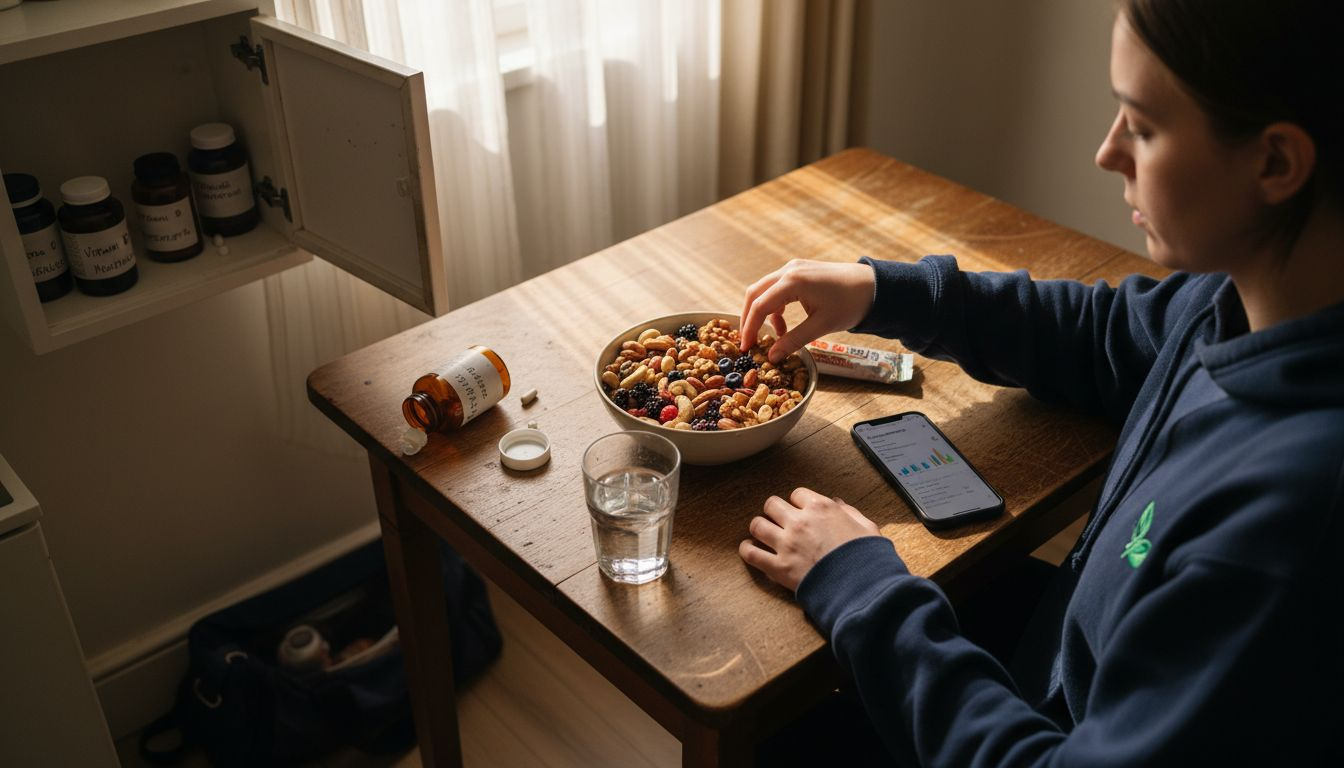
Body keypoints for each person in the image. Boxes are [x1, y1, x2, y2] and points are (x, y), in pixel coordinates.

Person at [737, 0, 1344, 764]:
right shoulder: (1240, 298)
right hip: (1060, 661)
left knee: (770, 730)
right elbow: (1101, 335)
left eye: (1143, 125)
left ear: (1276, 163)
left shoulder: (1278, 537)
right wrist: (883, 292)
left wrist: (864, 589)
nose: (1105, 152)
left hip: (1055, 729)